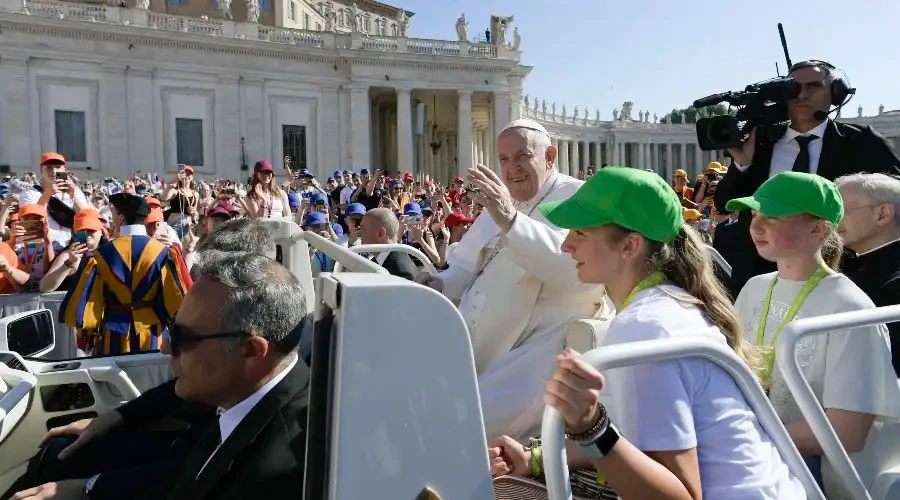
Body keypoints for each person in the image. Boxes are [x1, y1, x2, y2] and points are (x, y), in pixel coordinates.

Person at [490, 167, 804, 499]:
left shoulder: (644, 326)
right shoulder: (669, 303)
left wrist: (590, 426)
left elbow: (680, 495)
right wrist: (536, 458)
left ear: (629, 246)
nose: (567, 245)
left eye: (580, 232)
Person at [8, 253, 309, 500]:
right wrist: (110, 423)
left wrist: (87, 489)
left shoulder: (273, 473)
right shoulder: (250, 391)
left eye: (182, 336)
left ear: (251, 351)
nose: (165, 346)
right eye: (170, 327)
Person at [419, 119, 605, 442]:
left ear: (550, 156)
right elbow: (465, 267)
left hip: (535, 353)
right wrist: (437, 285)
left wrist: (512, 221)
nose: (512, 168)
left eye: (522, 156)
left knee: (456, 425)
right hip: (477, 344)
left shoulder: (580, 198)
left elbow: (580, 272)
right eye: (504, 159)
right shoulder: (502, 201)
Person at [726, 172, 900, 498]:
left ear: (818, 229)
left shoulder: (850, 307)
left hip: (815, 477)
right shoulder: (754, 288)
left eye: (773, 217)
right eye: (755, 214)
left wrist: (743, 436)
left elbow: (848, 432)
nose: (756, 225)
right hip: (760, 457)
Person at [715, 59, 900, 296]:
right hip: (758, 274)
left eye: (813, 86)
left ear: (835, 93)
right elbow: (723, 203)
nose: (802, 95)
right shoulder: (759, 143)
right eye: (793, 88)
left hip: (835, 274)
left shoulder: (862, 142)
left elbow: (895, 197)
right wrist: (742, 165)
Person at [59, 193, 192, 355]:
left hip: (114, 332)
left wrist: (88, 338)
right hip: (152, 331)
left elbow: (90, 304)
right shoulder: (164, 253)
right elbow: (177, 299)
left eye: (114, 213)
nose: (112, 217)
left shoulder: (99, 255)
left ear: (121, 218)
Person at [835, 173, 900, 375]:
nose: (832, 220)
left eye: (841, 210)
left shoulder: (895, 283)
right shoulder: (852, 265)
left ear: (883, 214)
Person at [18, 152, 90, 251]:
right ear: (41, 170)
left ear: (64, 170)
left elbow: (87, 219)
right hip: (42, 248)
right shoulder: (29, 192)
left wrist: (74, 196)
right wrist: (47, 194)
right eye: (49, 167)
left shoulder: (76, 191)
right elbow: (31, 225)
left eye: (58, 167)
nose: (54, 171)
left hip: (71, 246)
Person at [360, 207, 417, 280]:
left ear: (381, 233)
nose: (359, 232)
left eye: (364, 229)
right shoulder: (379, 260)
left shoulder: (401, 274)